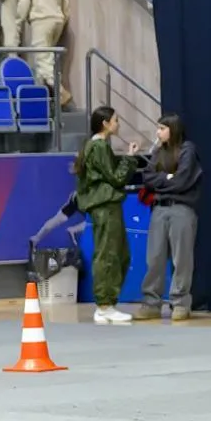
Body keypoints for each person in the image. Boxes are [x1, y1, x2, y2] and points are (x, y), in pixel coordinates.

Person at [73, 105, 138, 325]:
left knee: (119, 253)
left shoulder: (94, 146)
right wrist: (129, 158)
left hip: (107, 206)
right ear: (105, 123)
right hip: (105, 206)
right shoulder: (99, 147)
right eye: (116, 120)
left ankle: (107, 304)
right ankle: (104, 305)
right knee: (108, 254)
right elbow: (116, 178)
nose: (118, 124)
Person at [136, 113, 202, 322]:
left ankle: (180, 302)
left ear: (173, 130)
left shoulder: (187, 150)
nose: (158, 132)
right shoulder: (158, 152)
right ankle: (151, 302)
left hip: (181, 209)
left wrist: (162, 182)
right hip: (159, 209)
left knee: (181, 259)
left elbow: (182, 181)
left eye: (162, 128)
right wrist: (167, 177)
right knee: (154, 257)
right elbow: (148, 178)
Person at [16, 0, 73, 107]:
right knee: (48, 59)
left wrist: (18, 21)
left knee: (42, 60)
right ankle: (44, 98)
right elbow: (66, 6)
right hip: (58, 20)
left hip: (41, 20)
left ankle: (62, 92)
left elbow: (23, 4)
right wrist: (61, 20)